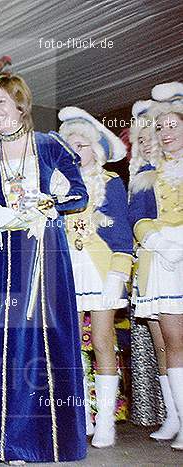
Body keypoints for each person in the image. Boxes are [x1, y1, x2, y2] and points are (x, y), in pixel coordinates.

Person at [0, 75, 88, 463]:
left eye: (1, 104)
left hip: (43, 252)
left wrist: (52, 202)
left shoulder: (49, 146)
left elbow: (80, 195)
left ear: (21, 105)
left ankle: (38, 440)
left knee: (36, 341)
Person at [57, 107, 133, 447]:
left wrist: (118, 274)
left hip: (101, 271)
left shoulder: (110, 183)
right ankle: (80, 416)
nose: (76, 151)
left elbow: (122, 235)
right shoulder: (58, 185)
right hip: (67, 271)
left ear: (95, 149)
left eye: (82, 144)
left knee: (102, 341)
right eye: (70, 144)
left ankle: (106, 422)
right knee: (71, 347)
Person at [129, 81, 183, 451]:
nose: (165, 133)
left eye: (172, 125)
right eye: (159, 127)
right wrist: (159, 240)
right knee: (166, 341)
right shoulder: (149, 171)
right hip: (161, 260)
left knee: (176, 340)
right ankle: (176, 416)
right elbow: (138, 214)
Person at [127, 99, 171, 432]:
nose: (143, 144)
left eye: (148, 137)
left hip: (173, 259)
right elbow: (135, 221)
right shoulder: (141, 176)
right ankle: (173, 415)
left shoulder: (169, 174)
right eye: (138, 140)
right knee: (162, 343)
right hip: (151, 265)